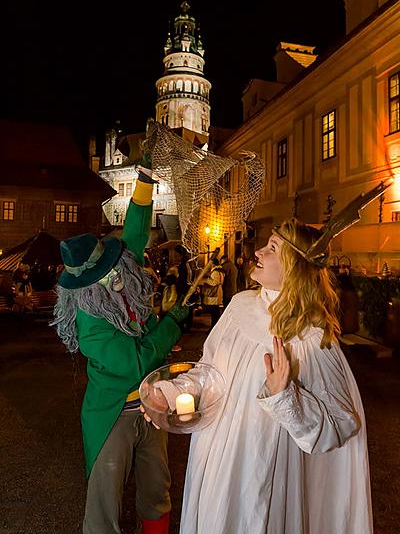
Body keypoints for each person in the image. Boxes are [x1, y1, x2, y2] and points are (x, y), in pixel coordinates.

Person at [147, 217, 373, 534]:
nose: (259, 252)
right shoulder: (240, 306)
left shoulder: (311, 337)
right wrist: (170, 392)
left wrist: (286, 398)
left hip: (276, 470)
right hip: (223, 461)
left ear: (294, 266)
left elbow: (339, 424)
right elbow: (209, 371)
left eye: (272, 248)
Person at [51, 163, 189, 534]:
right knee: (104, 509)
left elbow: (135, 234)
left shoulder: (120, 272)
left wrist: (144, 183)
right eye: (106, 275)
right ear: (86, 286)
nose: (117, 275)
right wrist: (172, 325)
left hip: (151, 405)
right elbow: (136, 360)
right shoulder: (89, 321)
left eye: (114, 267)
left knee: (157, 492)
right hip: (113, 415)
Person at [201, 257, 225, 330]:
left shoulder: (215, 272)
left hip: (214, 293)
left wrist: (205, 280)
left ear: (213, 264)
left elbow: (214, 282)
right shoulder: (220, 271)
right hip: (218, 292)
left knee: (214, 312)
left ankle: (213, 327)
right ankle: (214, 326)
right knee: (215, 311)